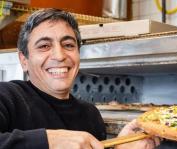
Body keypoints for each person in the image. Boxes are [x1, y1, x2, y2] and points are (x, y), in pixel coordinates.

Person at [0, 8, 160, 149]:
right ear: (24, 60)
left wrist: (120, 147)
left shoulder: (90, 115)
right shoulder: (7, 97)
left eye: (68, 45)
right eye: (44, 46)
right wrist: (50, 140)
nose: (59, 55)